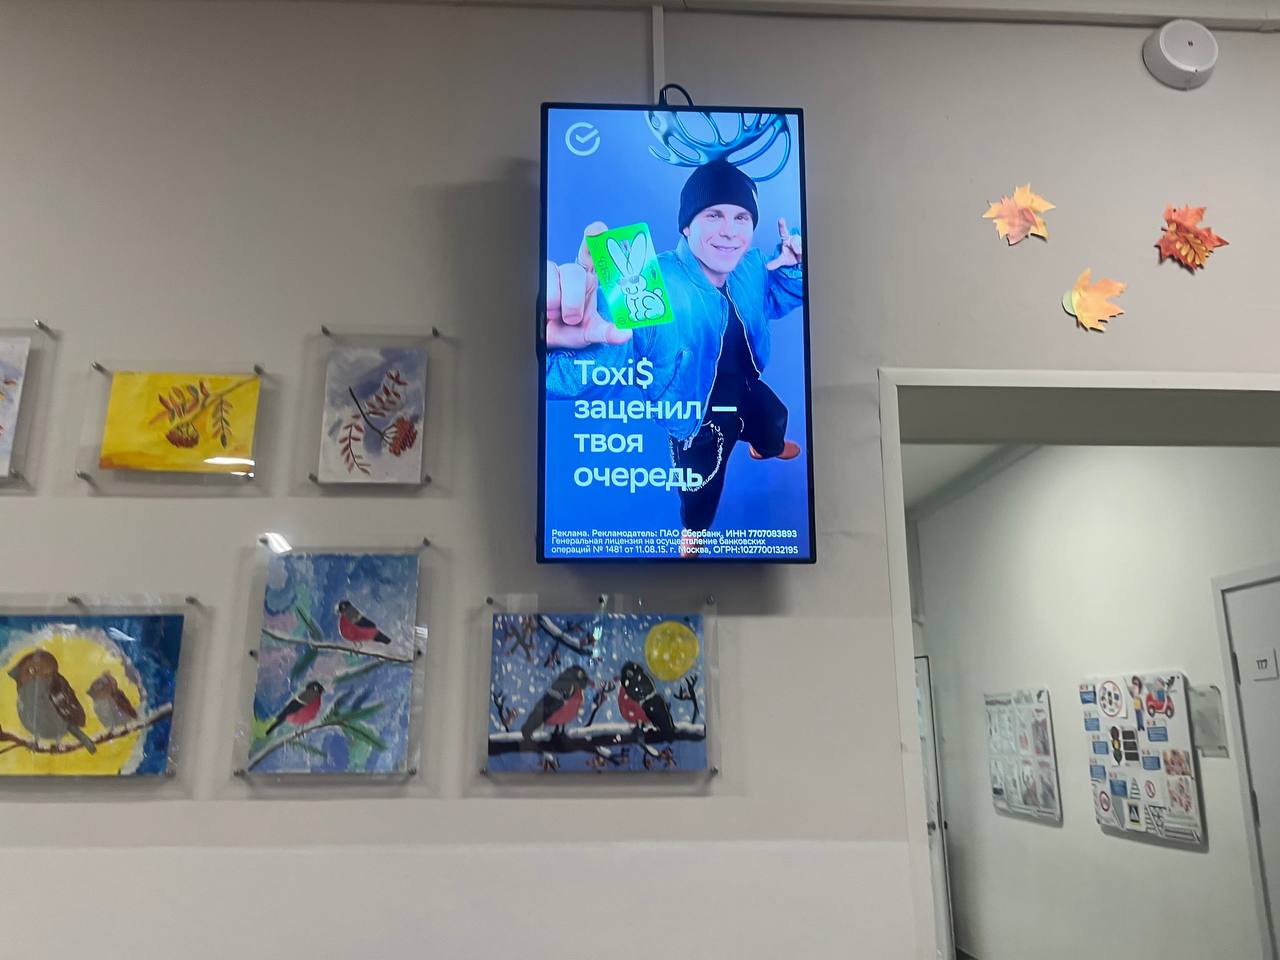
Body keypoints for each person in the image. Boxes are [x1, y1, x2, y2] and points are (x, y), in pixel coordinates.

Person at [545, 159, 805, 556]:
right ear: (687, 225)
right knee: (702, 487)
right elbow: (607, 359)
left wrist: (795, 266)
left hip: (744, 386)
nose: (729, 231)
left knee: (775, 419)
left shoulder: (751, 266)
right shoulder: (647, 281)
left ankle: (764, 446)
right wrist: (549, 347)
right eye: (714, 214)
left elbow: (773, 296)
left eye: (741, 217)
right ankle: (693, 531)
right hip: (694, 415)